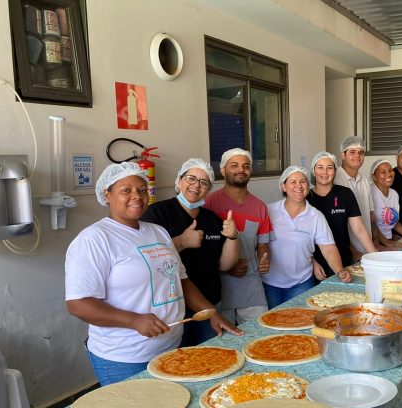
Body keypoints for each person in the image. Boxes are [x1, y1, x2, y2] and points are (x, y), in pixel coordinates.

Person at [65, 162, 241, 386]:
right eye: (126, 190)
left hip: (170, 348)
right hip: (125, 357)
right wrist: (134, 320)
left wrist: (211, 313)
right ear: (107, 195)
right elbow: (78, 304)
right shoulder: (94, 239)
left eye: (141, 190)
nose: (136, 196)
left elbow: (181, 281)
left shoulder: (157, 232)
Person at [141, 158, 239, 346]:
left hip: (210, 306)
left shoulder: (213, 220)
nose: (196, 185)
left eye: (204, 182)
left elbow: (225, 265)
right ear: (179, 181)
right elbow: (146, 260)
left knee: (208, 363)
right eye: (191, 178)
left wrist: (233, 237)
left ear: (208, 189)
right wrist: (181, 242)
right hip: (172, 310)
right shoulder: (156, 214)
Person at [262, 166, 351, 308]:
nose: (298, 186)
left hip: (301, 283)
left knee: (299, 324)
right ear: (283, 186)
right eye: (293, 182)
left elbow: (328, 248)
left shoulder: (315, 216)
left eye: (303, 181)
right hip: (270, 284)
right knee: (273, 326)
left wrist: (339, 270)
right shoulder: (268, 211)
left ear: (308, 187)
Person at [205, 148, 273, 325]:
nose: (240, 170)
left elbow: (263, 243)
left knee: (259, 337)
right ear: (222, 170)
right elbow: (203, 250)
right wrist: (227, 267)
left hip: (251, 287)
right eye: (234, 165)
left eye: (246, 166)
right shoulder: (209, 203)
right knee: (223, 346)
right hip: (219, 288)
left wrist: (264, 258)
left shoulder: (259, 206)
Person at [306, 152, 376, 280]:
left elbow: (359, 229)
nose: (325, 172)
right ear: (313, 171)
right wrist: (312, 262)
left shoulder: (345, 194)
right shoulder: (306, 199)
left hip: (343, 260)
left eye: (330, 167)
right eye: (320, 167)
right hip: (316, 265)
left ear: (335, 171)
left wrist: (375, 256)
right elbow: (301, 237)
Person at [333, 136, 374, 259]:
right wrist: (354, 251)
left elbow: (370, 216)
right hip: (347, 252)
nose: (357, 156)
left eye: (361, 153)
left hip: (367, 249)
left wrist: (373, 246)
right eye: (352, 152)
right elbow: (335, 224)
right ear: (343, 155)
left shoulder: (365, 181)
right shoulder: (335, 181)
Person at [370, 159, 402, 248]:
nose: (388, 174)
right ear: (374, 177)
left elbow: (393, 222)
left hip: (389, 239)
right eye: (383, 172)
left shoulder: (394, 194)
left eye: (390, 170)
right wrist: (386, 242)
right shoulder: (370, 192)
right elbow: (371, 223)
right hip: (374, 243)